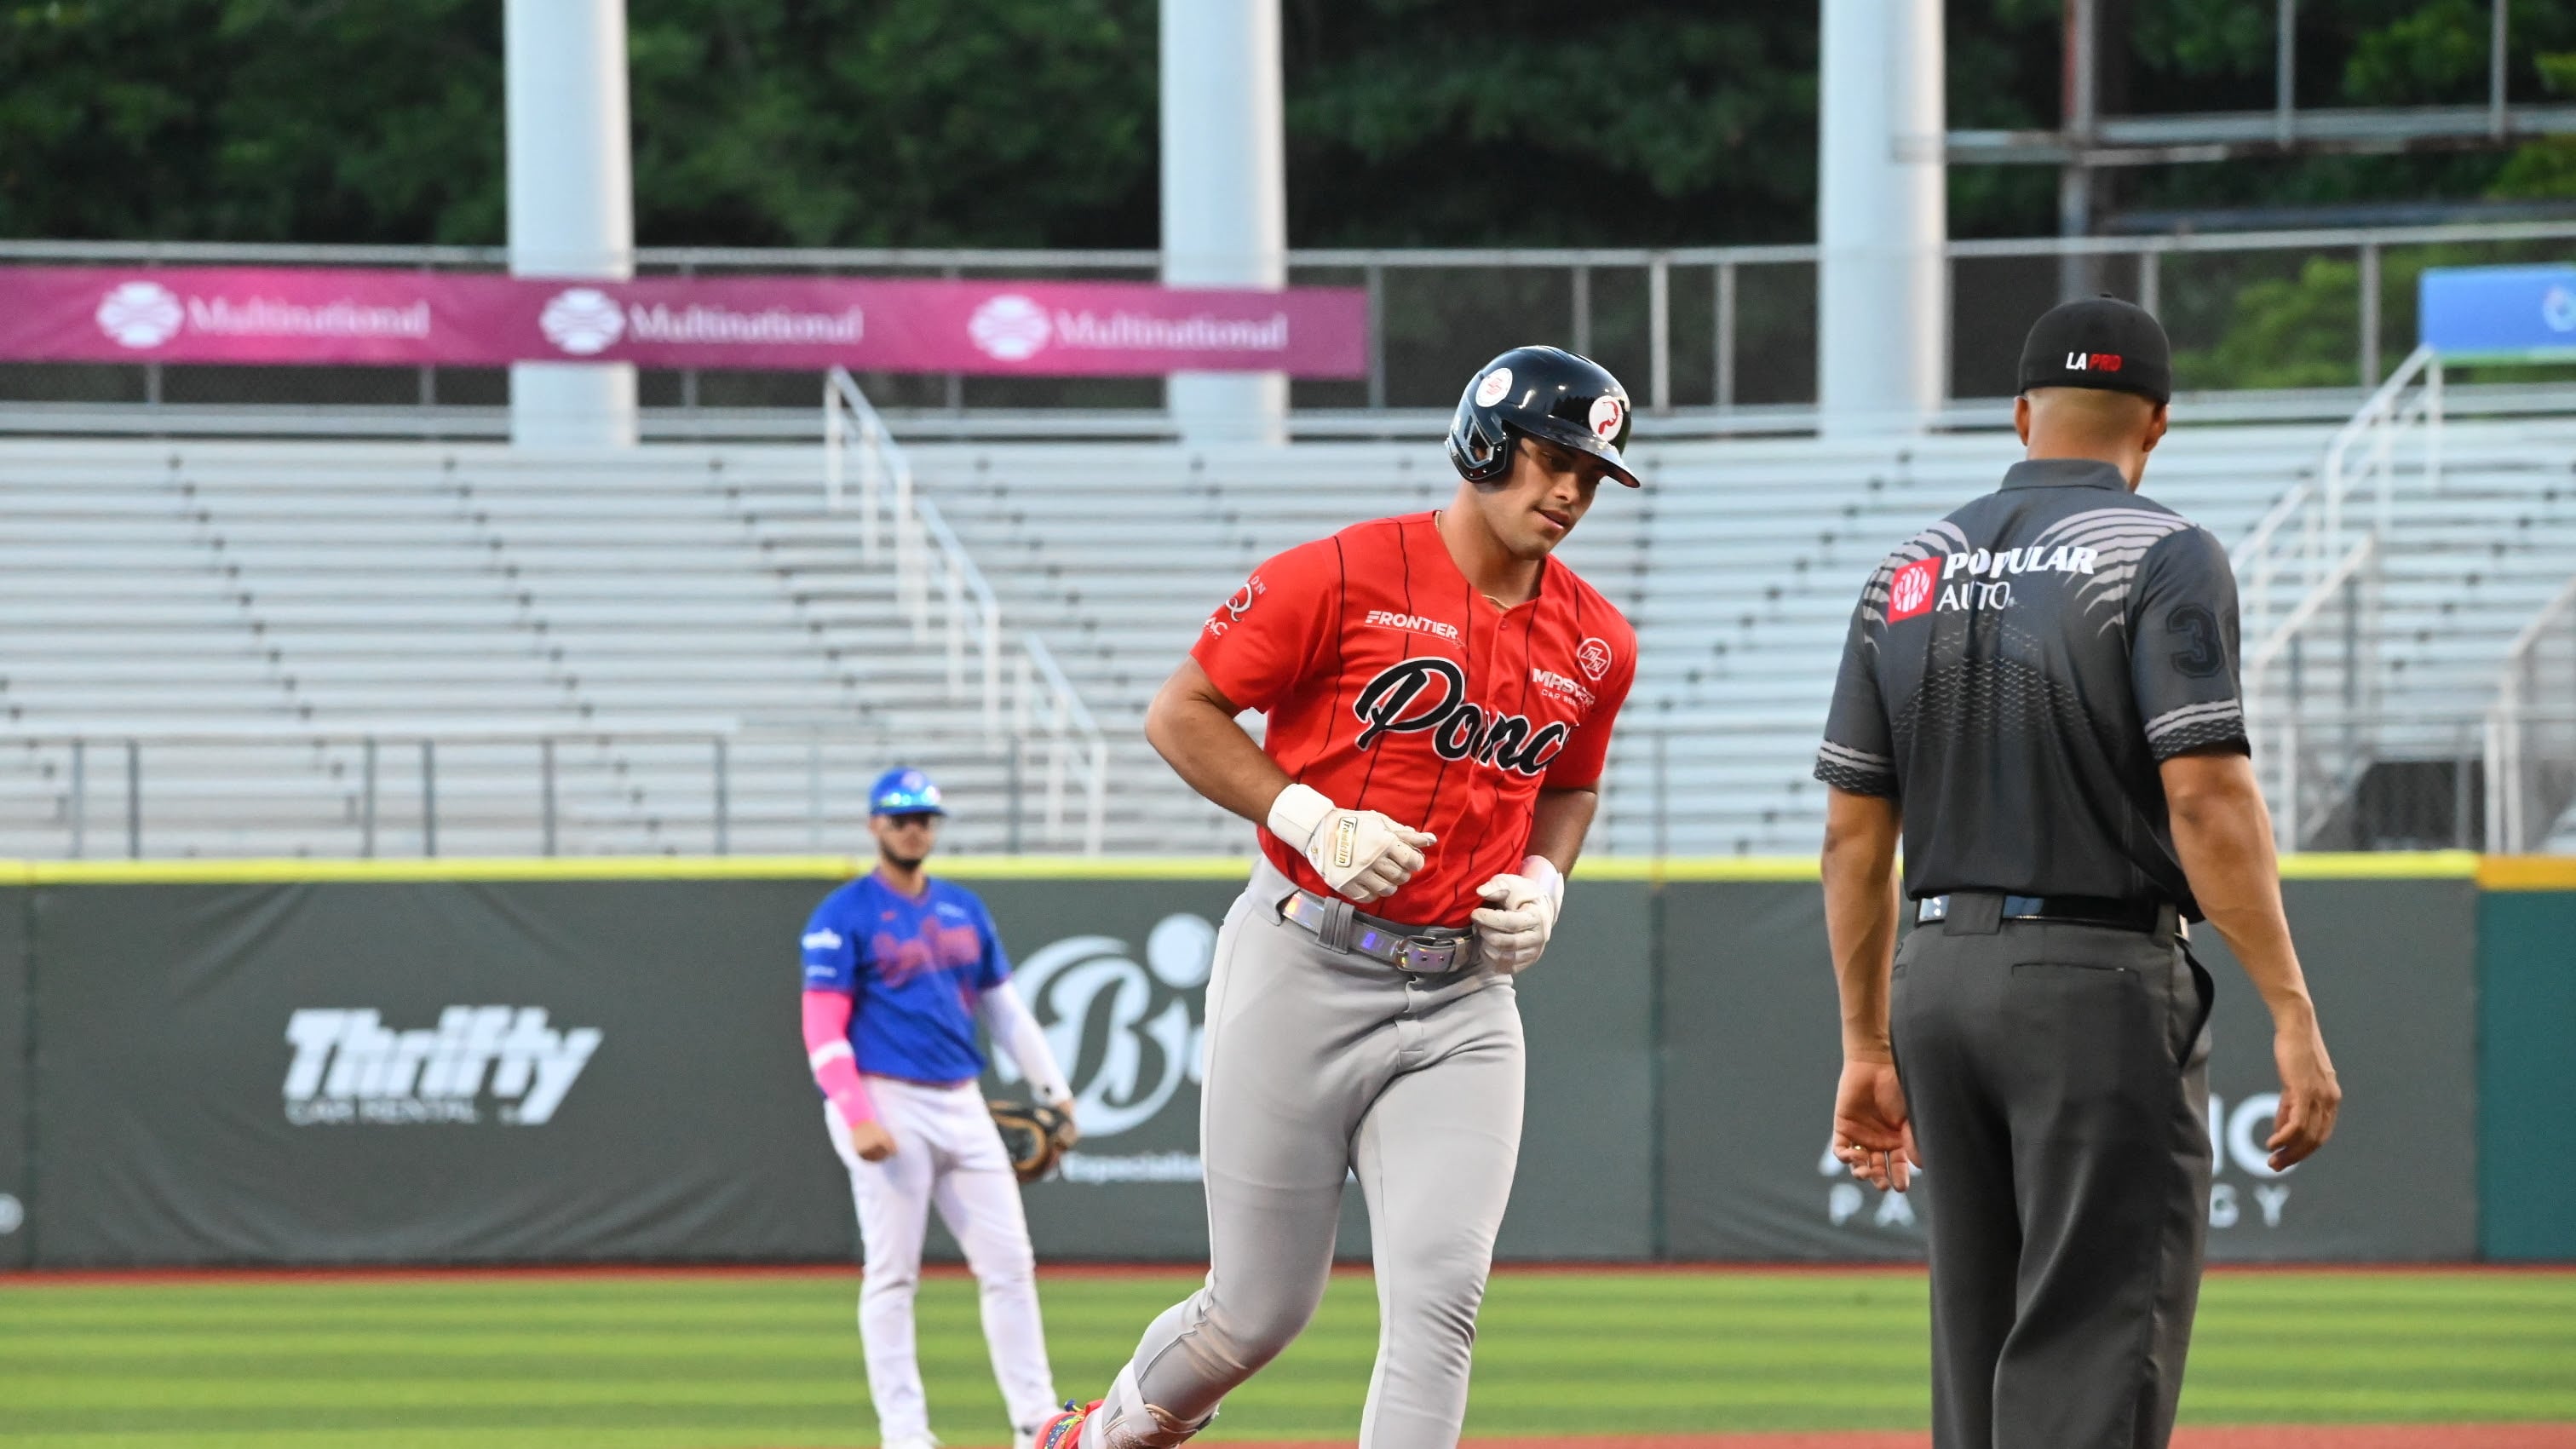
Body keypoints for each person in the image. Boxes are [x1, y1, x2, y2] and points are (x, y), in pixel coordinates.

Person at [1034, 346, 1642, 1449]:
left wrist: (1549, 876)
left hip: (1464, 997)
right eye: (1554, 459)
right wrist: (1305, 813)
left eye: (1592, 476)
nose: (1569, 492)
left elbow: (1573, 784)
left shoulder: (1599, 640)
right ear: (1486, 443)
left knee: (1440, 1306)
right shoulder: (1345, 573)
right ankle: (1095, 1437)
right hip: (1304, 957)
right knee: (1258, 1310)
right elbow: (1184, 712)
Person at [1814, 297, 2343, 1449]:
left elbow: (1854, 838)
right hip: (2094, 978)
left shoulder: (1908, 571)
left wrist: (1866, 1045)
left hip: (1936, 977)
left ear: (2019, 415)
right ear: (2157, 423)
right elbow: (2204, 793)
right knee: (2098, 1344)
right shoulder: (2162, 552)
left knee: (1979, 1342)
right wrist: (2291, 1004)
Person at [801, 767, 1081, 1449]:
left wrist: (1056, 1091)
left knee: (1011, 1264)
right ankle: (905, 1434)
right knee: (893, 1273)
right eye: (900, 818)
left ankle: (1034, 1423)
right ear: (875, 826)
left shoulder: (962, 908)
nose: (914, 828)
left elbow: (1005, 1011)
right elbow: (821, 1022)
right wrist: (855, 1110)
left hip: (962, 1099)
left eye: (924, 817)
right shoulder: (843, 914)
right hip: (885, 1098)